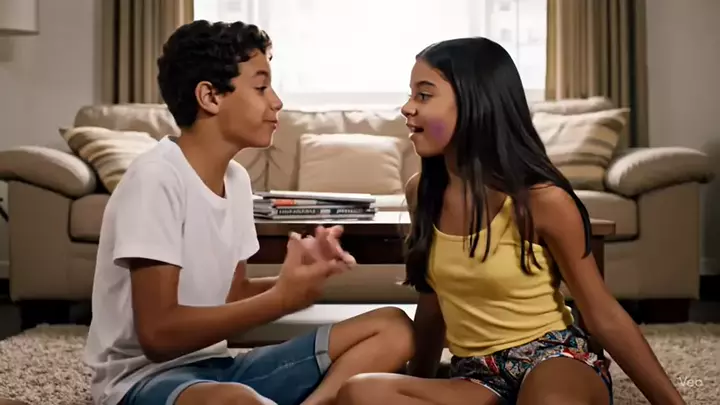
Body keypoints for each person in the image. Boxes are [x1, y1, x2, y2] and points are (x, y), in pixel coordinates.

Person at [334, 37, 686, 405]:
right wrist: (417, 384)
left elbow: (603, 315)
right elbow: (434, 301)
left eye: (424, 95)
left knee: (547, 401)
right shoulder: (422, 191)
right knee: (361, 392)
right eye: (411, 95)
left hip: (553, 358)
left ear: (474, 103)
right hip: (476, 377)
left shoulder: (542, 200)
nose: (407, 108)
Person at [83, 20, 414, 405]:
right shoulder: (156, 178)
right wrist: (281, 300)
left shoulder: (236, 179)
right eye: (261, 87)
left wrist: (298, 281)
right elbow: (158, 336)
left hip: (216, 366)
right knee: (237, 401)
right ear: (210, 96)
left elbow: (233, 293)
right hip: (141, 380)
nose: (276, 101)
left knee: (394, 327)